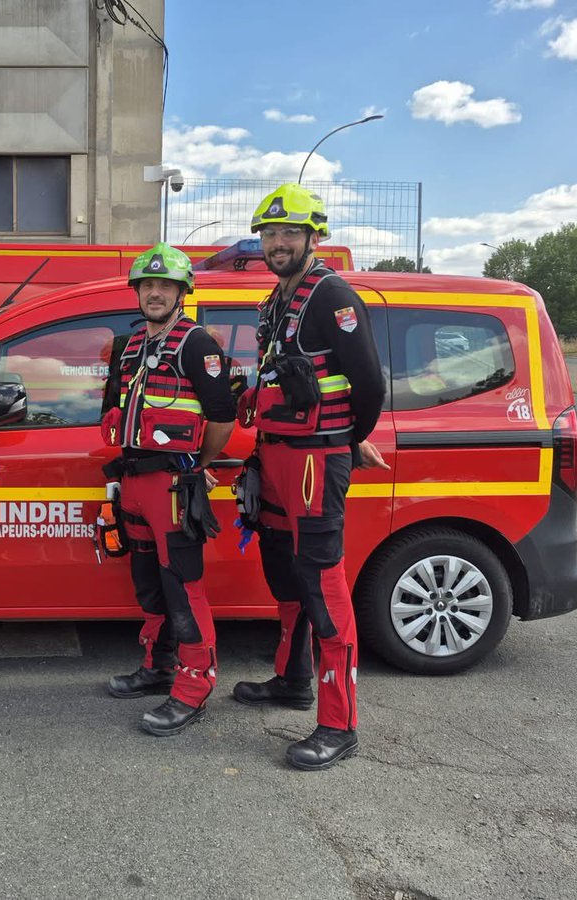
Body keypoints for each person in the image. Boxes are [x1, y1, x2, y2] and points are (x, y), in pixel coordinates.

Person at [231, 184, 388, 771]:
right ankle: (292, 679)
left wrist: (345, 439)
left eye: (289, 233)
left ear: (312, 237)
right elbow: (283, 373)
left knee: (322, 583)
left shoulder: (332, 295)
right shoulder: (277, 298)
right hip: (275, 456)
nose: (277, 243)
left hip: (316, 460)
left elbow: (367, 383)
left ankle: (338, 723)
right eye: (269, 234)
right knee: (283, 572)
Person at [101, 242, 236, 736]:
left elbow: (222, 417)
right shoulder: (133, 344)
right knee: (147, 579)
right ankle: (157, 667)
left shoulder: (198, 344)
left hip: (174, 484)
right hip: (135, 481)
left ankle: (193, 686)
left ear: (183, 292)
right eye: (148, 285)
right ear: (137, 291)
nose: (155, 293)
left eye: (165, 285)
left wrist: (196, 465)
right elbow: (117, 411)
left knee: (183, 584)